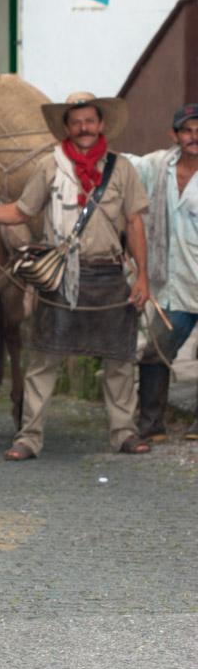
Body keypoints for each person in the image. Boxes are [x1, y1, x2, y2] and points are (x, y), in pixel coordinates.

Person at [0, 91, 151, 460]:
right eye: (77, 122)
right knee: (43, 359)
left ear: (101, 124)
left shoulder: (122, 169)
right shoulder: (50, 166)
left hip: (109, 273)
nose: (84, 128)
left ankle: (124, 432)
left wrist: (143, 278)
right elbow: (22, 212)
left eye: (90, 121)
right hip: (62, 277)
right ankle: (29, 437)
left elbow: (135, 223)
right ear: (67, 128)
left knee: (119, 360)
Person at [124, 104, 198, 441]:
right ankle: (151, 422)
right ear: (175, 135)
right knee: (156, 350)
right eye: (187, 131)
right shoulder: (156, 166)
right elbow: (120, 166)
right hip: (171, 281)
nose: (194, 137)